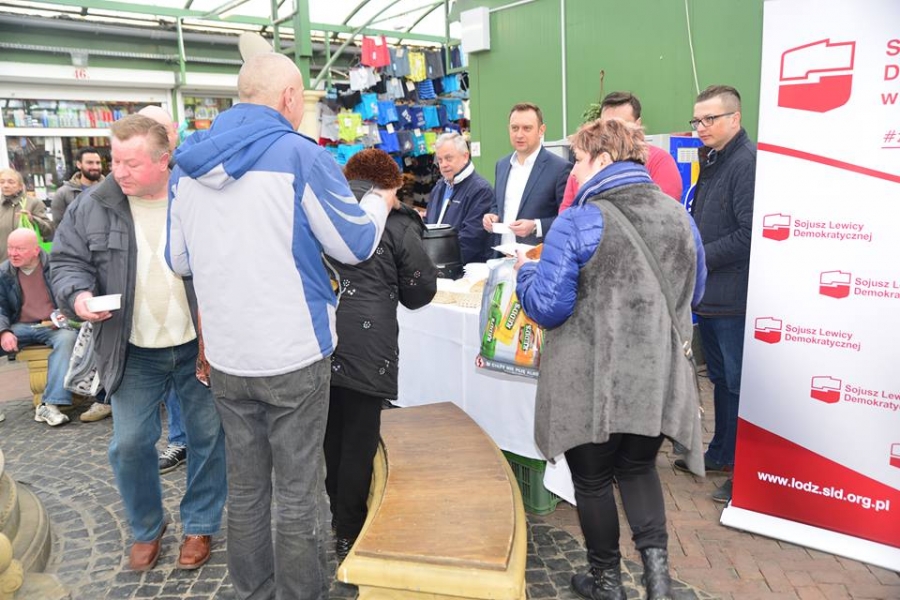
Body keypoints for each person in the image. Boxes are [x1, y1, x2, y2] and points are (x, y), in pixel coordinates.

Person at [167, 52, 393, 600]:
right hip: (294, 349)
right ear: (290, 98)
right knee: (297, 490)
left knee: (246, 487)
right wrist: (379, 203)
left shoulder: (187, 163)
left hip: (229, 355)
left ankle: (254, 591)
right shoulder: (300, 155)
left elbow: (179, 260)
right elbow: (355, 244)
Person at [514, 118, 706, 600]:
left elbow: (547, 306)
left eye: (579, 160)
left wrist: (524, 275)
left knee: (593, 479)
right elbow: (695, 291)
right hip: (654, 376)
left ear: (602, 160)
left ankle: (606, 582)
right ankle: (658, 583)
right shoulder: (679, 215)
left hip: (590, 378)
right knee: (639, 469)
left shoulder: (579, 219)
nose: (574, 171)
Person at [50, 114, 227, 572]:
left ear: (164, 160)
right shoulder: (93, 205)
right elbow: (66, 261)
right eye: (115, 160)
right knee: (129, 444)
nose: (119, 172)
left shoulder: (198, 195)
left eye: (131, 163)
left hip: (199, 346)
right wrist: (79, 295)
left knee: (208, 437)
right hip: (131, 349)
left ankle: (200, 524)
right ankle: (148, 528)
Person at [325, 149, 437, 561]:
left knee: (330, 434)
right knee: (359, 438)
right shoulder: (397, 222)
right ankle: (349, 529)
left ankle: (337, 513)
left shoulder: (326, 209)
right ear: (390, 185)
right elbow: (420, 290)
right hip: (369, 345)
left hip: (320, 335)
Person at [673, 85, 756, 505]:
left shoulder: (746, 163)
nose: (701, 126)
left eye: (710, 119)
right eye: (697, 120)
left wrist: (699, 256)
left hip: (734, 297)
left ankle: (744, 469)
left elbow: (749, 234)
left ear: (734, 119)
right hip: (711, 295)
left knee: (738, 384)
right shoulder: (714, 159)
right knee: (721, 380)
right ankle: (722, 452)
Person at [137, 104, 188, 475]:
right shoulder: (130, 181)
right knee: (170, 380)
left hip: (193, 296)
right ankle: (180, 440)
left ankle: (206, 442)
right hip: (151, 302)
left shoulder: (191, 172)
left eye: (161, 129)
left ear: (174, 133)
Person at [0, 228, 93, 426]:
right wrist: (4, 331)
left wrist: (66, 313)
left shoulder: (56, 267)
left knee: (67, 339)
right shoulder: (3, 272)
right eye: (10, 248)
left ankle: (50, 405)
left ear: (36, 250)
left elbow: (72, 293)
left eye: (19, 249)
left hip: (53, 326)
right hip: (19, 327)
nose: (13, 253)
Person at [558, 91, 683, 212]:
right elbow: (566, 212)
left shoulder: (660, 161)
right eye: (607, 125)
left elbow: (665, 212)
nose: (612, 132)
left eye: (621, 126)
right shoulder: (585, 164)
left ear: (638, 124)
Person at [482, 103, 571, 247]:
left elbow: (568, 218)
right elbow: (497, 205)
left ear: (541, 130)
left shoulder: (559, 168)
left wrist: (536, 226)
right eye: (514, 128)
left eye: (527, 128)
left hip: (537, 256)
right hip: (502, 254)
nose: (519, 135)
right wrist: (492, 216)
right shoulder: (502, 165)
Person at [424, 132, 493, 264]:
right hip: (435, 267)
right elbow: (428, 224)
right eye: (440, 160)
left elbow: (471, 240)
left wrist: (437, 263)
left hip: (465, 270)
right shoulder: (438, 188)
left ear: (465, 156)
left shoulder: (481, 191)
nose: (443, 164)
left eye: (449, 158)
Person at [0, 168, 54, 263]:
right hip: (2, 263)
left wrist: (33, 219)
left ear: (21, 186)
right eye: (2, 182)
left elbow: (48, 230)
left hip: (27, 263)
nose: (5, 185)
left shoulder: (33, 203)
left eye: (11, 182)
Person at [51, 147, 105, 225]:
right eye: (90, 163)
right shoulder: (64, 194)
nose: (95, 167)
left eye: (98, 163)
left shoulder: (110, 190)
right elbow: (59, 226)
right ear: (79, 165)